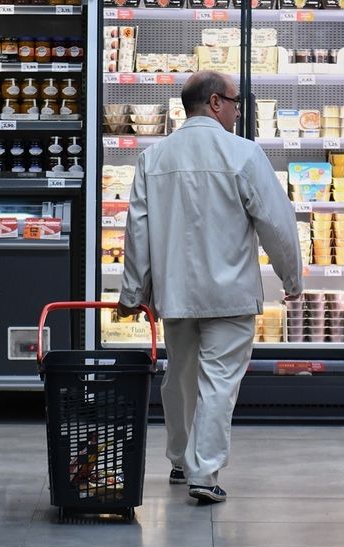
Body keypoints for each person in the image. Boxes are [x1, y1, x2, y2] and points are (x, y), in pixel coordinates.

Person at [117, 70, 302, 505]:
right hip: (230, 294)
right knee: (218, 382)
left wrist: (132, 294)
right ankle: (204, 472)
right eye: (237, 101)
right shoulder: (243, 154)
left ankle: (181, 460)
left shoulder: (154, 157)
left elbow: (137, 231)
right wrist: (291, 277)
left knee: (179, 377)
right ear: (216, 102)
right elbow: (277, 223)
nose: (240, 110)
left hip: (175, 292)